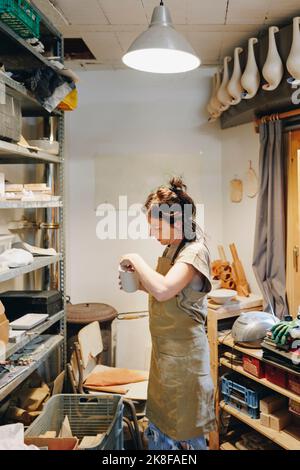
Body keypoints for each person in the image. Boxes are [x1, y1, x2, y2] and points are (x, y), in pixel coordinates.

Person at [119, 177, 216, 450]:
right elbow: (170, 292)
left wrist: (136, 260)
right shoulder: (171, 249)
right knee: (161, 434)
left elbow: (163, 290)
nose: (151, 233)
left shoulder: (194, 252)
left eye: (154, 226)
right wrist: (138, 284)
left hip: (185, 364)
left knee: (185, 440)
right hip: (165, 359)